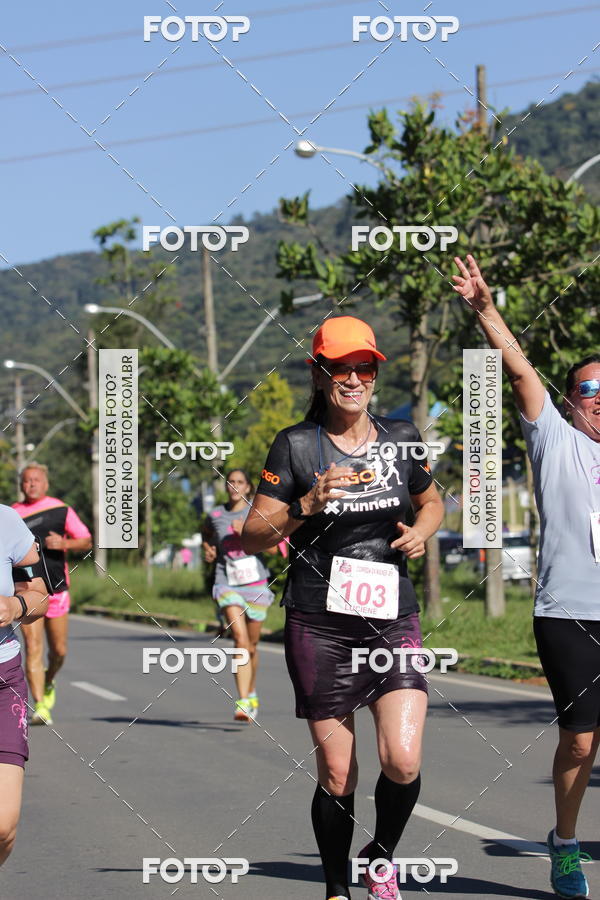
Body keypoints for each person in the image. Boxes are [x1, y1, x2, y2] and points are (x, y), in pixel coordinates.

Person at [241, 316, 444, 900]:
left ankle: (380, 854)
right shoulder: (296, 445)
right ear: (320, 372)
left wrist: (423, 532)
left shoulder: (403, 436)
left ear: (376, 372)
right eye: (341, 367)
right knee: (338, 772)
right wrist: (306, 501)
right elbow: (253, 535)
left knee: (402, 760)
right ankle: (336, 888)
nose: (354, 378)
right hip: (319, 621)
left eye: (365, 367)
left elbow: (431, 502)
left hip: (390, 617)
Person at [453, 254, 600, 900]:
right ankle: (565, 843)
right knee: (581, 739)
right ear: (572, 402)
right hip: (569, 612)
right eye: (592, 392)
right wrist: (486, 310)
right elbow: (516, 366)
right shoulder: (556, 441)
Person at [13, 463, 92, 725]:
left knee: (58, 651)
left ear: (46, 484)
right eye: (26, 481)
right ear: (21, 485)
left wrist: (64, 543)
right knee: (33, 647)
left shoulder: (61, 509)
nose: (31, 484)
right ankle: (41, 707)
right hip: (25, 590)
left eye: (36, 480)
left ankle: (49, 680)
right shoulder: (12, 514)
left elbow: (86, 540)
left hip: (57, 589)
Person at [202, 469, 278, 723]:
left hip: (255, 585)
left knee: (252, 647)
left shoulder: (256, 515)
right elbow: (206, 534)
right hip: (227, 584)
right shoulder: (215, 515)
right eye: (230, 482)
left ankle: (251, 691)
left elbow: (277, 549)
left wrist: (247, 532)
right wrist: (208, 549)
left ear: (248, 488)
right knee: (240, 639)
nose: (234, 486)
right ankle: (243, 701)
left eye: (239, 482)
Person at [0, 503, 49, 865]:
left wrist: (14, 606)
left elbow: (39, 594)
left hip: (3, 684)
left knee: (3, 826)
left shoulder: (7, 521)